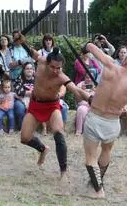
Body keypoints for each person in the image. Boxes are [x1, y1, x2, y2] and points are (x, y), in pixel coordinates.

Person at [20, 44, 91, 180]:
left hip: (52, 106)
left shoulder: (62, 77)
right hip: (35, 105)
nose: (56, 70)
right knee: (24, 138)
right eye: (53, 67)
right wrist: (22, 41)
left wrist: (90, 98)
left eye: (59, 68)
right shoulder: (41, 62)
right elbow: (32, 51)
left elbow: (76, 89)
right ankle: (43, 149)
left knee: (58, 133)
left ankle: (63, 171)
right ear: (47, 64)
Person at [82, 42, 127, 199]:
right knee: (106, 151)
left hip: (96, 117)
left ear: (125, 61)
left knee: (90, 157)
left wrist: (88, 44)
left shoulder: (111, 66)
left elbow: (92, 49)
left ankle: (98, 190)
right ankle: (97, 182)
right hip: (113, 122)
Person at [13, 62, 35, 129]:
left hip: (34, 99)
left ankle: (32, 127)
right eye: (27, 69)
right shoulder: (19, 79)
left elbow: (40, 91)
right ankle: (22, 128)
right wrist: (31, 92)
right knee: (20, 107)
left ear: (33, 70)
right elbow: (19, 92)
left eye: (31, 68)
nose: (29, 70)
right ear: (24, 70)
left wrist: (26, 92)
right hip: (20, 100)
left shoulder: (37, 80)